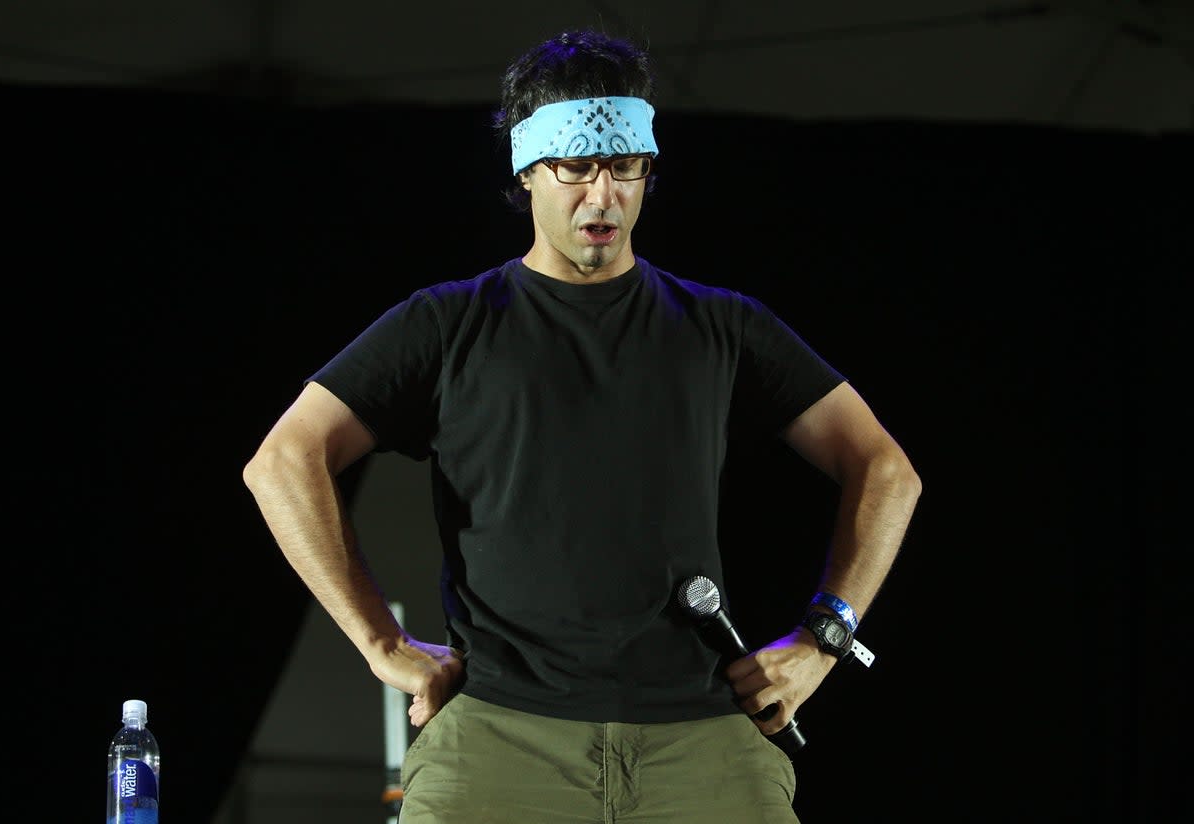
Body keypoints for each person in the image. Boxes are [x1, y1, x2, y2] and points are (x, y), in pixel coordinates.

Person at [243, 28, 921, 824]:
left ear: (647, 171)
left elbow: (886, 469)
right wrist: (380, 643)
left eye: (624, 167)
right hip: (500, 737)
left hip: (698, 741)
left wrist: (823, 640)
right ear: (528, 170)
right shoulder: (447, 324)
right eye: (576, 167)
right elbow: (283, 459)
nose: (602, 196)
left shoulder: (722, 326)